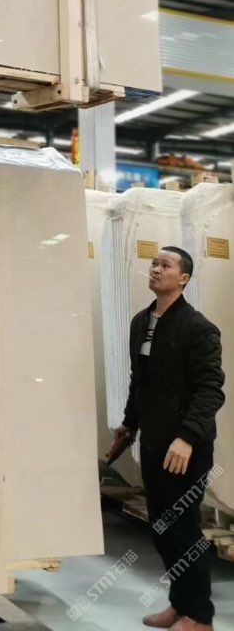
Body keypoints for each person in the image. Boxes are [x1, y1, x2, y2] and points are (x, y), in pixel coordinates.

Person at [108, 246, 224, 631]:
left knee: (184, 530)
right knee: (162, 528)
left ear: (184, 278)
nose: (156, 269)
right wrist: (129, 426)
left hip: (186, 450)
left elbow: (210, 390)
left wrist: (187, 437)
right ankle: (180, 604)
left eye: (166, 265)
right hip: (154, 444)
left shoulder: (198, 328)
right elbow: (140, 381)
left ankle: (200, 617)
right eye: (154, 263)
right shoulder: (141, 322)